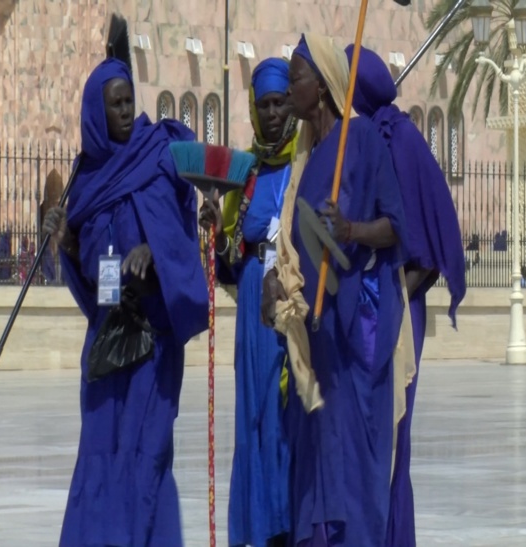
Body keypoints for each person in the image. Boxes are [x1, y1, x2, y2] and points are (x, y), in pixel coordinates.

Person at [42, 57, 208, 546]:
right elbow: (91, 283)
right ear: (95, 111)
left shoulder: (158, 157)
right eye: (113, 104)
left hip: (152, 342)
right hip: (107, 340)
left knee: (146, 453)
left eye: (128, 100)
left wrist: (154, 252)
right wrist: (66, 244)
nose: (124, 111)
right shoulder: (86, 177)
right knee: (100, 450)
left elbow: (181, 239)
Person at [262, 33, 408, 546]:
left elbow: (396, 225)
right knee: (316, 457)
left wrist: (351, 230)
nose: (289, 87)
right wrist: (275, 280)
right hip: (315, 336)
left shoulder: (361, 139)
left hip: (354, 333)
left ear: (320, 87)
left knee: (351, 459)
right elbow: (294, 243)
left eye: (295, 76)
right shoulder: (306, 159)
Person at [344, 44, 466, 547]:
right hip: (365, 304)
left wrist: (394, 292)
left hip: (398, 310)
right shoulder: (362, 139)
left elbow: (429, 246)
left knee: (394, 430)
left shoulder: (404, 142)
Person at [199, 57, 297, 547]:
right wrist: (217, 231)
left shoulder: (311, 161)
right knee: (255, 415)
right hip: (255, 309)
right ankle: (258, 528)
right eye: (265, 105)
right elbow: (233, 263)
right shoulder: (249, 173)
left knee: (288, 413)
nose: (275, 113)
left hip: (294, 306)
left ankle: (288, 522)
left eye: (281, 102)